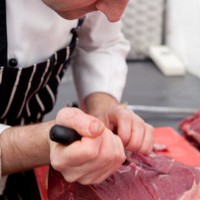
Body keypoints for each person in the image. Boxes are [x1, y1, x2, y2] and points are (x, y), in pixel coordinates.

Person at [0, 0, 154, 199]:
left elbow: (100, 44)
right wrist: (37, 145)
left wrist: (102, 112)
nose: (116, 14)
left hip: (31, 171)